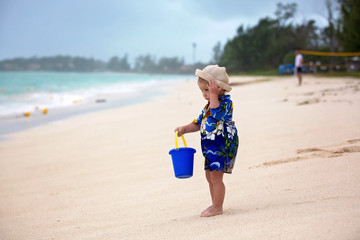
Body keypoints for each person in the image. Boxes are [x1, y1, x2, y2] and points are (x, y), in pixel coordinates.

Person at [174, 65, 239, 217]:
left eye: (207, 90)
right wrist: (185, 128)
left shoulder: (225, 103)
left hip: (222, 145)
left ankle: (218, 207)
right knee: (209, 176)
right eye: (202, 91)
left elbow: (217, 113)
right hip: (210, 147)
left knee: (216, 176)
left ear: (219, 88)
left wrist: (214, 95)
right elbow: (197, 123)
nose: (204, 94)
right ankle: (214, 203)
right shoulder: (208, 106)